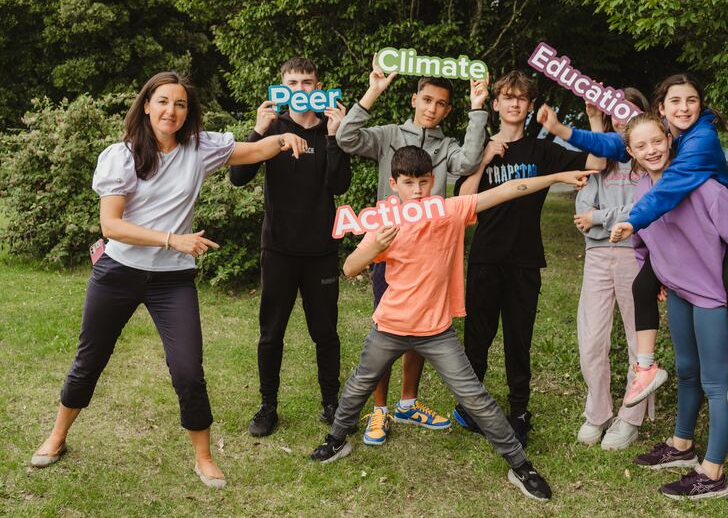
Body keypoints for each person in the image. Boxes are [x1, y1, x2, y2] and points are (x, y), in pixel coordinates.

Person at [30, 71, 307, 488]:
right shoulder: (120, 156)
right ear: (146, 105)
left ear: (187, 111)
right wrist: (171, 239)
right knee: (89, 360)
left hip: (171, 281)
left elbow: (252, 151)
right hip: (118, 272)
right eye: (162, 101)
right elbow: (111, 225)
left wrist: (283, 140)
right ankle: (57, 436)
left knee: (188, 371)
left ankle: (204, 457)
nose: (171, 111)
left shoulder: (200, 148)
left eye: (180, 104)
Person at [309, 145, 596, 501]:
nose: (417, 190)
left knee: (475, 397)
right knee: (357, 386)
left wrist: (555, 177)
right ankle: (336, 440)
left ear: (433, 181)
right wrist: (373, 248)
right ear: (394, 184)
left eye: (423, 182)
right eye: (409, 183)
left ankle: (521, 466)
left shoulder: (448, 211)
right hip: (390, 325)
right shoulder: (385, 221)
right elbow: (350, 267)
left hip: (436, 332)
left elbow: (508, 190)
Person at [540, 74, 728, 414]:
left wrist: (631, 220)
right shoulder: (667, 134)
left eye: (691, 101)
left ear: (700, 104)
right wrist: (562, 130)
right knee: (642, 284)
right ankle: (645, 367)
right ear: (661, 109)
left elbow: (669, 187)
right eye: (675, 102)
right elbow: (617, 145)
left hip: (718, 228)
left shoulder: (701, 139)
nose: (684, 108)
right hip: (676, 235)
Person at [335, 53, 489, 445]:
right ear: (414, 100)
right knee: (385, 333)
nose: (432, 109)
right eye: (426, 100)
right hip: (392, 251)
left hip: (432, 256)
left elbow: (469, 160)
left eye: (440, 104)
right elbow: (347, 138)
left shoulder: (448, 145)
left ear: (447, 109)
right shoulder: (388, 135)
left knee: (422, 329)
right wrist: (372, 92)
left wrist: (477, 108)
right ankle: (379, 411)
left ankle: (408, 403)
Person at [614, 112, 728, 499]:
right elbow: (645, 242)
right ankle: (682, 445)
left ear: (669, 137)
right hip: (680, 292)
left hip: (713, 298)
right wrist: (658, 274)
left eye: (657, 141)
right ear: (630, 152)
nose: (652, 150)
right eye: (641, 146)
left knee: (717, 383)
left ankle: (713, 474)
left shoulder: (704, 188)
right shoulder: (642, 190)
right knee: (686, 371)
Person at [452, 70, 605, 447]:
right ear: (496, 104)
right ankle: (471, 406)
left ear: (530, 105)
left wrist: (596, 121)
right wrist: (485, 158)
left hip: (524, 259)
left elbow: (597, 164)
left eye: (521, 98)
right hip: (486, 258)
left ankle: (519, 411)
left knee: (518, 340)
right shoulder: (479, 146)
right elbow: (462, 203)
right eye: (507, 96)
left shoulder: (541, 151)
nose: (514, 103)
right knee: (478, 338)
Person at [229, 58, 352, 437]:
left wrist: (335, 135)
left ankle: (331, 403)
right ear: (282, 86)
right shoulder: (274, 129)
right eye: (293, 82)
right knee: (271, 332)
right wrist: (256, 131)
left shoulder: (330, 131)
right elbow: (238, 176)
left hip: (321, 251)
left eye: (308, 82)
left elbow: (340, 185)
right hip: (279, 248)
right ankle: (268, 406)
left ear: (319, 86)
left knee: (325, 333)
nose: (300, 89)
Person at [572, 88, 656, 450]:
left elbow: (645, 208)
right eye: (615, 111)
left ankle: (630, 417)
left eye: (628, 110)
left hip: (634, 255)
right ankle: (598, 412)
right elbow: (581, 209)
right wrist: (598, 219)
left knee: (640, 340)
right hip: (597, 256)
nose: (621, 116)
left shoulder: (648, 157)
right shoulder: (601, 158)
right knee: (591, 340)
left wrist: (599, 218)